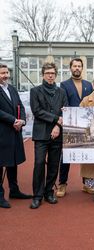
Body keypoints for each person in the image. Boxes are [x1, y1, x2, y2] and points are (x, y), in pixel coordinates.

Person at [29, 62, 68, 209]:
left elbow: (65, 110)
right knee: (39, 164)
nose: (50, 76)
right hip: (41, 134)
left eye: (52, 73)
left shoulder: (61, 92)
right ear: (43, 75)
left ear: (55, 75)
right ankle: (37, 196)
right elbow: (37, 111)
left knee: (53, 165)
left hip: (57, 133)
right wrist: (55, 119)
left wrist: (58, 126)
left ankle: (49, 192)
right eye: (47, 73)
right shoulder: (35, 91)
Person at [56, 58, 94, 197]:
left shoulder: (88, 85)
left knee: (86, 155)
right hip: (70, 124)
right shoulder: (64, 85)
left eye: (79, 66)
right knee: (66, 155)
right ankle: (62, 184)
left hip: (86, 124)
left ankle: (87, 183)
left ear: (82, 68)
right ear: (70, 68)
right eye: (74, 66)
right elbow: (64, 103)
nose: (77, 68)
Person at [0, 63, 31, 208]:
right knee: (0, 164)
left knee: (13, 161)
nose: (5, 75)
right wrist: (13, 120)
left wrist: (22, 120)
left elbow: (20, 106)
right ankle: (0, 195)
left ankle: (14, 190)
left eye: (6, 72)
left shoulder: (11, 89)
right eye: (2, 73)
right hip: (2, 133)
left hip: (15, 131)